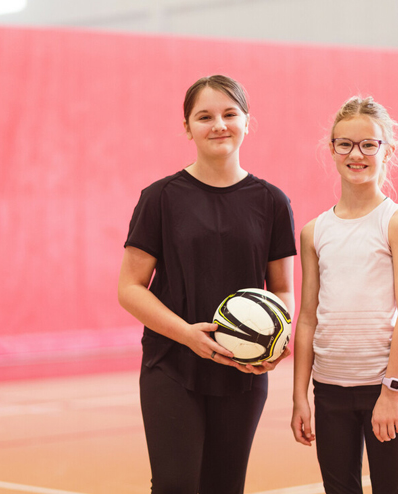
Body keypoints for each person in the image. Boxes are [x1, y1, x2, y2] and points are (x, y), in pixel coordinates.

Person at [117, 74, 296, 494]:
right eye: (205, 116)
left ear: (247, 122)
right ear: (187, 127)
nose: (219, 125)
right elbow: (129, 287)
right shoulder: (160, 197)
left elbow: (283, 290)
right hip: (172, 364)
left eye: (230, 114)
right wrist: (187, 336)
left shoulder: (272, 201)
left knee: (225, 486)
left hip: (242, 369)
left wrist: (275, 343)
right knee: (176, 484)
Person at [290, 96, 398, 494]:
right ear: (332, 149)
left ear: (388, 150)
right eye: (345, 144)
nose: (356, 154)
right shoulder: (315, 231)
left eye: (369, 144)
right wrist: (300, 396)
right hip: (329, 391)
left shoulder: (396, 223)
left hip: (383, 387)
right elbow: (308, 317)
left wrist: (391, 391)